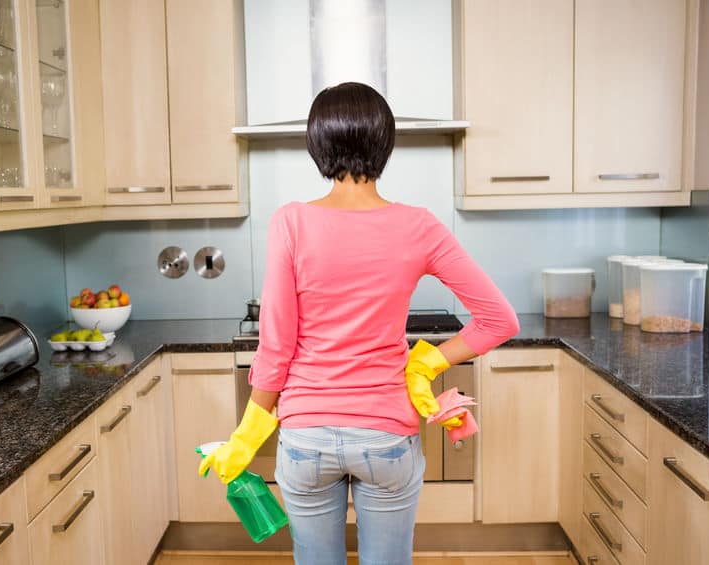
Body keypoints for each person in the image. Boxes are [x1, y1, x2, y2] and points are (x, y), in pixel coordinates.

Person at [199, 82, 520, 564]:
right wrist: (426, 361)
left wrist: (247, 437)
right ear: (384, 144)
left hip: (306, 435)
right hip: (386, 435)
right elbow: (500, 320)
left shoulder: (290, 222)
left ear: (318, 145)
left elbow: (276, 346)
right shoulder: (420, 226)